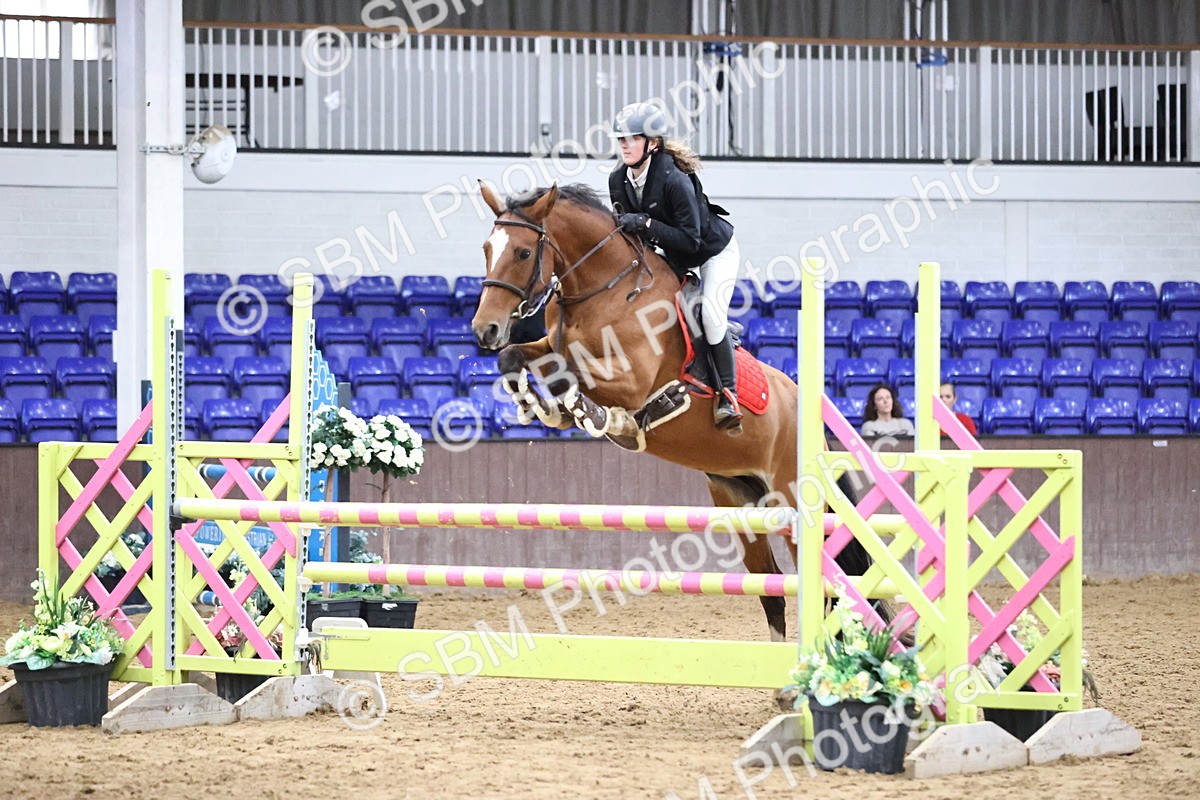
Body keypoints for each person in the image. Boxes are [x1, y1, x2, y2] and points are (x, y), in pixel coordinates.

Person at [606, 101, 742, 434]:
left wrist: (647, 223)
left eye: (632, 139)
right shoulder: (617, 180)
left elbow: (691, 241)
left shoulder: (674, 179)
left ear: (652, 143)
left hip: (712, 252)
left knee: (710, 316)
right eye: (620, 139)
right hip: (671, 256)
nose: (624, 145)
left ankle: (729, 394)